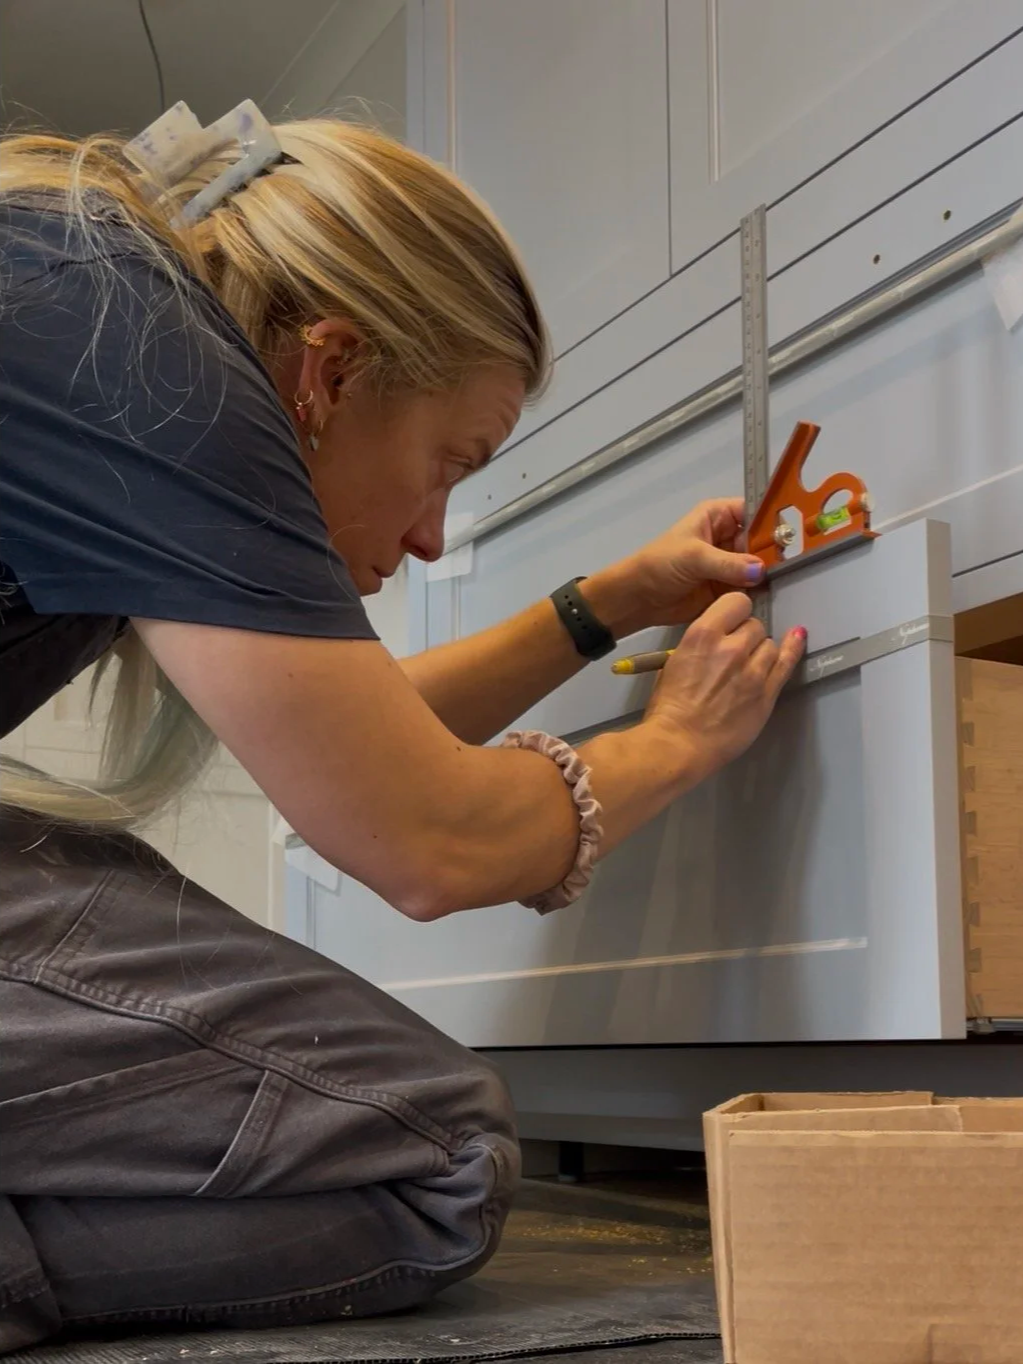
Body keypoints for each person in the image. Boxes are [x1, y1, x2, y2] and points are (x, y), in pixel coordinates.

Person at [0, 103, 806, 1353]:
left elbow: (361, 748)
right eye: (449, 459)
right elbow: (424, 833)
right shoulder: (152, 363)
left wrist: (603, 607)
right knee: (440, 1155)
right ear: (329, 369)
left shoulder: (97, 317)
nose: (433, 531)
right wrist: (678, 740)